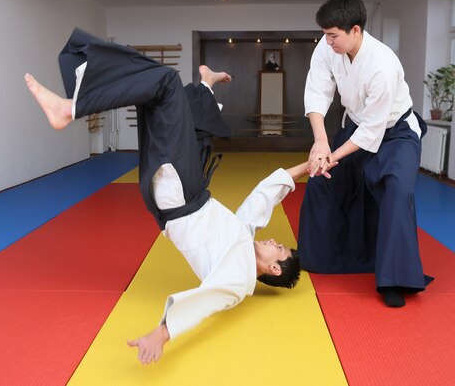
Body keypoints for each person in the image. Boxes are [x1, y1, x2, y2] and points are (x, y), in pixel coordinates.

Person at [24, 28, 306, 364]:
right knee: (164, 94)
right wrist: (308, 166)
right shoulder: (243, 237)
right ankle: (206, 85)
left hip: (179, 197)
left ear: (275, 268)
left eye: (280, 248)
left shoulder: (239, 279)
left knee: (167, 83)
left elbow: (206, 300)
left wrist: (161, 333)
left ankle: (70, 109)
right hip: (187, 188)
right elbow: (265, 196)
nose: (275, 240)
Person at [298, 0, 432, 308]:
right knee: (322, 179)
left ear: (355, 30)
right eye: (325, 35)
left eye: (333, 35)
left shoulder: (383, 66)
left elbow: (372, 132)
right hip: (358, 126)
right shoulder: (327, 47)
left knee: (397, 191)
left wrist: (332, 153)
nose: (327, 41)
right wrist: (320, 143)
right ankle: (327, 257)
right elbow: (317, 92)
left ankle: (394, 281)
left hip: (396, 133)